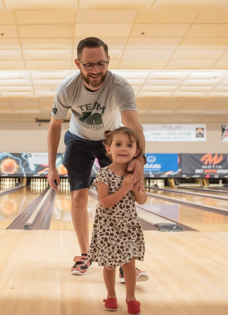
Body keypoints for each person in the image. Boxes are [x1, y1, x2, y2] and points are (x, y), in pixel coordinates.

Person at [47, 37, 149, 283]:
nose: (95, 70)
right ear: (78, 63)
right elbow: (54, 126)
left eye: (101, 64)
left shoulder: (120, 86)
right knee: (79, 196)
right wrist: (51, 166)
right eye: (89, 65)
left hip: (111, 142)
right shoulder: (67, 88)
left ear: (108, 61)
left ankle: (125, 261)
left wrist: (140, 159)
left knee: (119, 201)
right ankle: (85, 255)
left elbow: (133, 125)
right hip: (78, 140)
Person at [86, 127, 147, 314]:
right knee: (110, 265)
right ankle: (111, 296)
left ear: (136, 152)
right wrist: (124, 188)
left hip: (128, 226)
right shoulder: (103, 174)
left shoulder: (134, 174)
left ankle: (131, 298)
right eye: (118, 144)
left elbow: (142, 200)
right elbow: (105, 203)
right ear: (108, 149)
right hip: (108, 228)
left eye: (129, 145)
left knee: (129, 263)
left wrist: (135, 187)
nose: (123, 148)